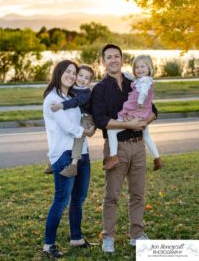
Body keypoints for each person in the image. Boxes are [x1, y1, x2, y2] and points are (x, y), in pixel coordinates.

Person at [91, 44, 158, 253]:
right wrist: (129, 124)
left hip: (138, 146)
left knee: (138, 195)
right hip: (116, 148)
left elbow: (154, 109)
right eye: (109, 57)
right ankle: (108, 236)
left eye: (116, 56)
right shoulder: (100, 89)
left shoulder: (134, 82)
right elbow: (101, 120)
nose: (113, 60)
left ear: (121, 59)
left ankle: (136, 235)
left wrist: (145, 120)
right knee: (112, 196)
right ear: (103, 61)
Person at [42, 60, 93, 258]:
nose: (72, 76)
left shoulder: (72, 95)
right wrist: (87, 131)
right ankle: (48, 245)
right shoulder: (52, 98)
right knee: (61, 200)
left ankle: (76, 237)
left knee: (78, 199)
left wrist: (89, 126)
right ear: (59, 72)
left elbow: (84, 116)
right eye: (68, 72)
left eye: (75, 72)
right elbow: (69, 127)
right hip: (63, 154)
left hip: (82, 153)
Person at [106, 55, 162, 171]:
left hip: (136, 112)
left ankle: (113, 157)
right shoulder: (142, 79)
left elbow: (143, 92)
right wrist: (125, 74)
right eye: (137, 67)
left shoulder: (145, 82)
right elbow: (133, 79)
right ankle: (157, 158)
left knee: (111, 130)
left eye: (142, 67)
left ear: (149, 68)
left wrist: (140, 101)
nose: (139, 69)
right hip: (144, 113)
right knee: (146, 136)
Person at [50, 64, 95, 177]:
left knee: (78, 138)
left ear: (89, 81)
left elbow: (75, 102)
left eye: (86, 78)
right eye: (80, 75)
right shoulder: (72, 88)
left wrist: (61, 105)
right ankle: (54, 160)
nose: (82, 79)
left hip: (87, 118)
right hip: (78, 116)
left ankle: (74, 165)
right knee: (64, 134)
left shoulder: (86, 93)